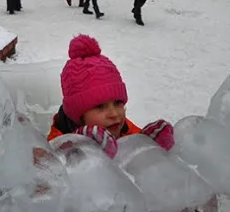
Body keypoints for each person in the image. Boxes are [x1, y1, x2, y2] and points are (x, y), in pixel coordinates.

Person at [47, 35, 175, 155]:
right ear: (78, 116)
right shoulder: (59, 145)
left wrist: (148, 144)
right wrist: (84, 146)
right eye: (100, 106)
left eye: (118, 103)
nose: (114, 114)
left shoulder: (123, 127)